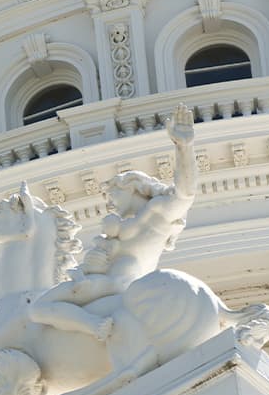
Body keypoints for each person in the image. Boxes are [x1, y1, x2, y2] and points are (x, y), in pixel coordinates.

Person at [28, 103, 198, 338]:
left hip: (119, 284)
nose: (109, 203)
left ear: (131, 188)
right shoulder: (126, 225)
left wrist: (184, 147)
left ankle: (91, 324)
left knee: (38, 309)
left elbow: (185, 193)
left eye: (111, 195)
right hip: (108, 281)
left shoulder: (157, 211)